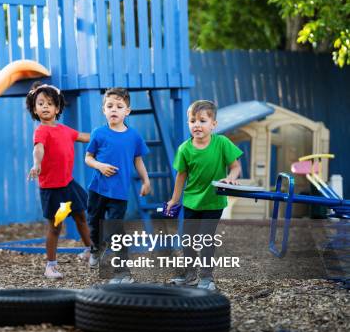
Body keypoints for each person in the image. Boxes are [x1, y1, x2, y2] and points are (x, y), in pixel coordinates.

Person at [166, 100, 242, 291]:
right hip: (192, 201)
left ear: (213, 124)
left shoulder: (222, 143)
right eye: (192, 121)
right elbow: (180, 176)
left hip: (214, 201)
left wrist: (231, 178)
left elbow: (235, 166)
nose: (197, 125)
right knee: (188, 239)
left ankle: (207, 277)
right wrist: (174, 200)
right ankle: (190, 274)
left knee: (207, 238)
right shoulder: (184, 149)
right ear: (188, 124)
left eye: (202, 120)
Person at [26, 82, 93, 279]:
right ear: (35, 109)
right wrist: (36, 164)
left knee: (81, 216)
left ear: (57, 108)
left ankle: (90, 250)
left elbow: (84, 136)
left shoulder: (65, 130)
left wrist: (106, 135)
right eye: (40, 103)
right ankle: (50, 266)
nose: (45, 106)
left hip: (68, 185)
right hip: (53, 189)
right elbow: (38, 148)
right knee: (55, 227)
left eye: (49, 103)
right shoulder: (41, 131)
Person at [85, 88, 151, 283]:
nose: (114, 110)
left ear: (127, 111)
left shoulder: (134, 136)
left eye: (119, 106)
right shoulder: (98, 133)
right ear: (103, 110)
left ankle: (122, 272)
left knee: (115, 230)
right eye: (110, 106)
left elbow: (138, 160)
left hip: (119, 193)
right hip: (97, 189)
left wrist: (146, 180)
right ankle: (96, 249)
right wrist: (100, 165)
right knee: (94, 224)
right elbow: (88, 158)